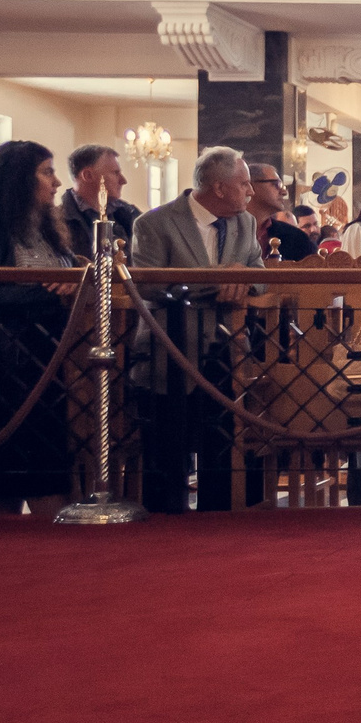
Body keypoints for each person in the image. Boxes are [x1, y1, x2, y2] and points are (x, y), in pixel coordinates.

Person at [128, 146, 266, 514]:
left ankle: (218, 521)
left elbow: (262, 276)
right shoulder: (154, 223)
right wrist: (218, 281)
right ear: (219, 188)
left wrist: (245, 278)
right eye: (244, 184)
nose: (250, 192)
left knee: (220, 444)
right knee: (167, 447)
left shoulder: (245, 223)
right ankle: (165, 525)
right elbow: (147, 287)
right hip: (170, 349)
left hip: (227, 347)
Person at [0, 140, 80, 516]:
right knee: (8, 475)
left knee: (46, 469)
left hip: (52, 360)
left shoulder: (51, 233)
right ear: (18, 180)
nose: (57, 182)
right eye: (46, 172)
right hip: (4, 364)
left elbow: (72, 280)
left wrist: (69, 287)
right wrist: (49, 295)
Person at [59, 143, 140, 260]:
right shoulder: (57, 221)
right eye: (115, 173)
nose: (123, 180)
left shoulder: (129, 214)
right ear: (87, 175)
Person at [247, 164, 319, 263]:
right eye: (276, 184)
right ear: (251, 186)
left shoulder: (297, 238)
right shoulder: (225, 229)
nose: (284, 192)